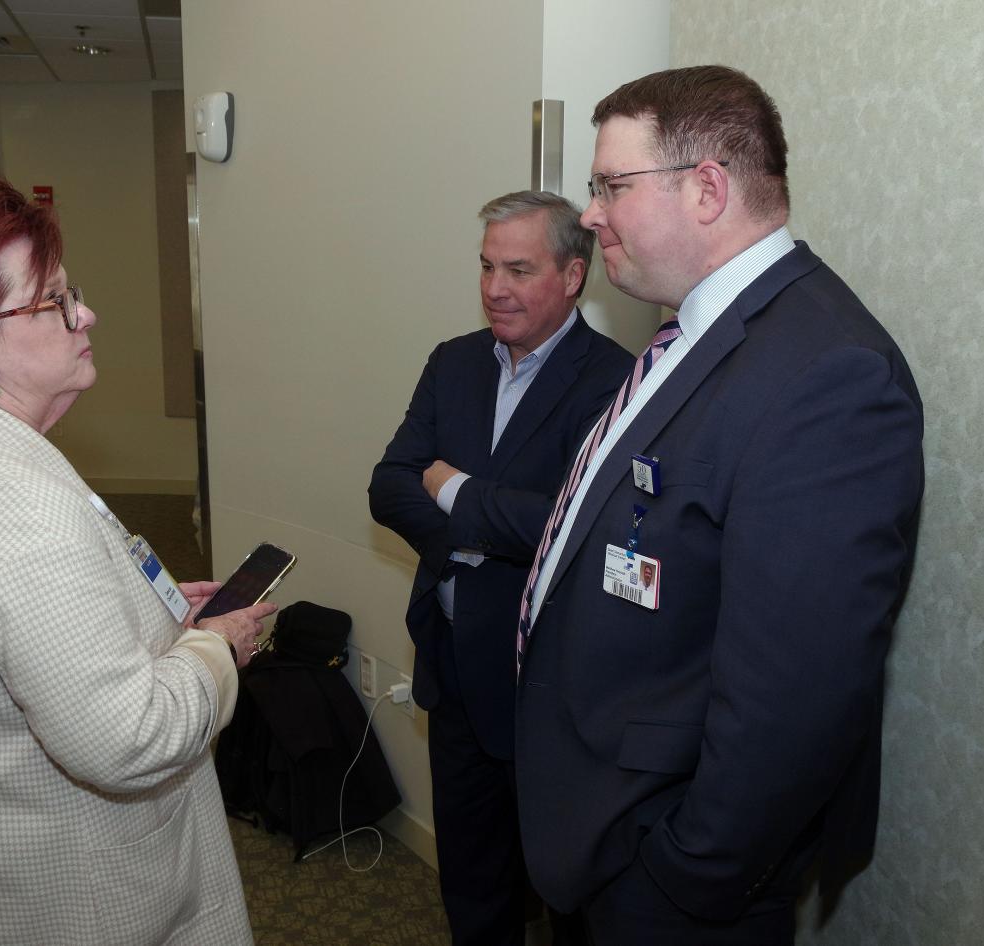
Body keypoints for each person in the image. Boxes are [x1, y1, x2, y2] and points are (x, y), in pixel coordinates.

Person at [512, 66, 924, 945]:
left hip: (668, 877)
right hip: (602, 825)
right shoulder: (695, 334)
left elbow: (797, 694)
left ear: (705, 189)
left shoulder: (824, 375)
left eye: (609, 187)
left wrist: (687, 877)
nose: (590, 214)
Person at [0, 171, 276, 946]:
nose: (86, 314)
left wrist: (135, 609)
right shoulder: (15, 507)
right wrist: (216, 646)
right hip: (72, 902)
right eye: (54, 301)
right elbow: (132, 740)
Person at [369, 191, 633, 945]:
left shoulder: (613, 381)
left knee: (565, 893)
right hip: (453, 672)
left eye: (518, 269)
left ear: (573, 275)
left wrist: (453, 490)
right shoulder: (453, 362)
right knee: (472, 886)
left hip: (547, 689)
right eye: (486, 266)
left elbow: (571, 524)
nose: (494, 288)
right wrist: (481, 533)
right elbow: (388, 484)